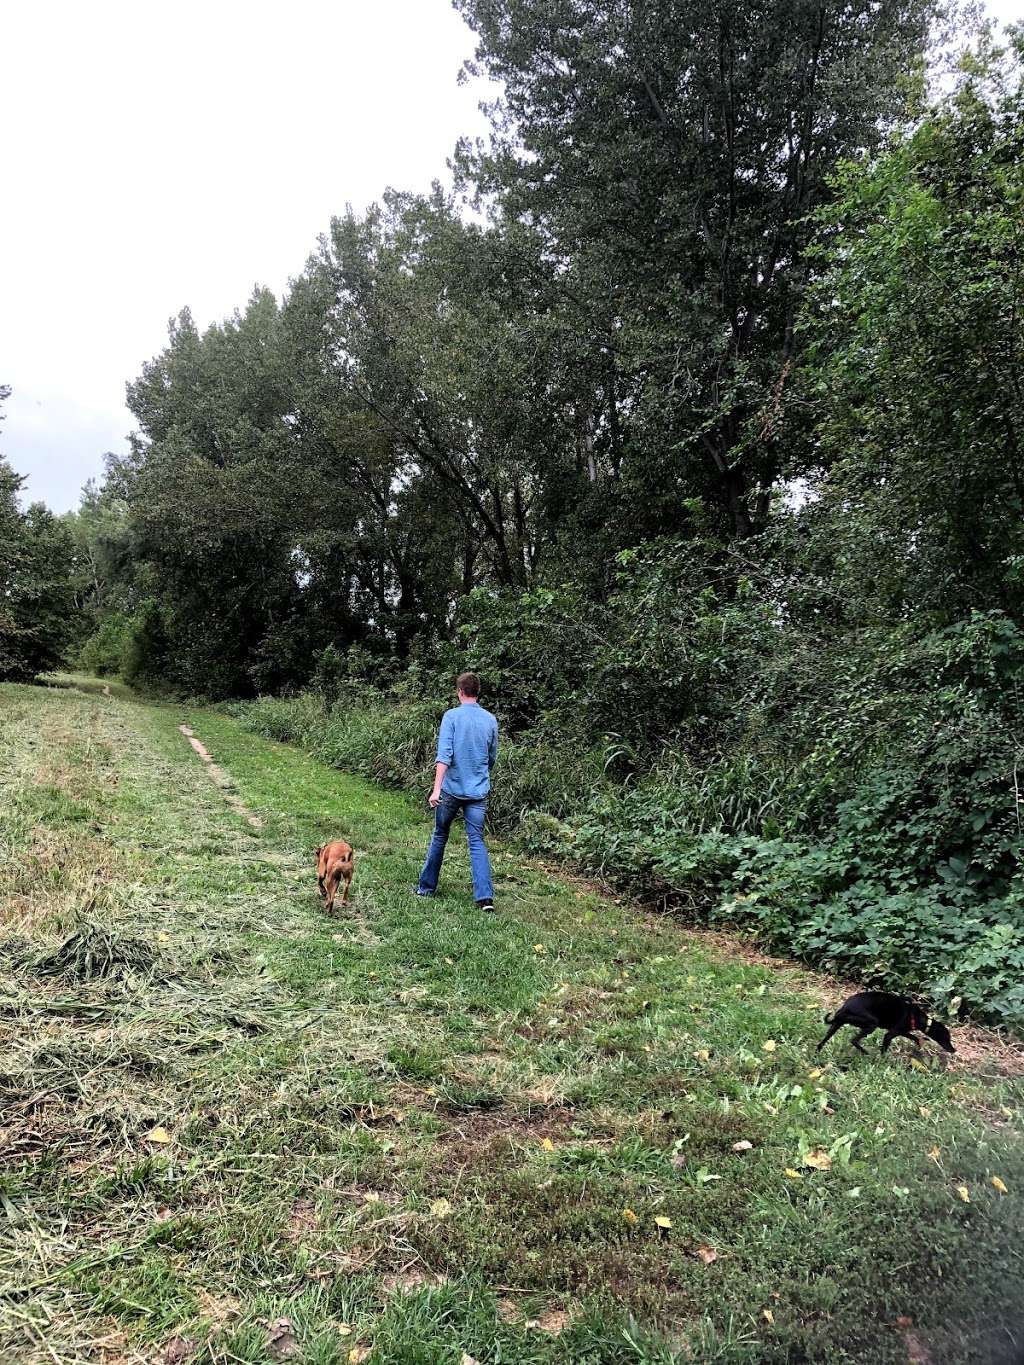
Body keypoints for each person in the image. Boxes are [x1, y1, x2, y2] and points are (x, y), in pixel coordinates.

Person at [416, 671, 498, 910]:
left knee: (440, 835)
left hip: (451, 791)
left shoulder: (451, 716)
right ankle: (485, 899)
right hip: (478, 792)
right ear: (477, 692)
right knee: (476, 842)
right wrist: (480, 776)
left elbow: (444, 757)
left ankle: (426, 888)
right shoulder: (490, 720)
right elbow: (491, 757)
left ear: (460, 691)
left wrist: (435, 789)